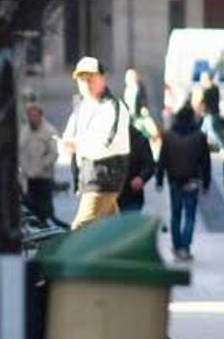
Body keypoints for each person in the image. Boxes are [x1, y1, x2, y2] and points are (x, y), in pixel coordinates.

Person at [61, 56, 130, 230]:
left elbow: (108, 142)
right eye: (81, 79)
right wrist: (67, 145)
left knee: (79, 230)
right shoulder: (81, 107)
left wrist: (77, 145)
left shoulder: (113, 106)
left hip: (103, 176)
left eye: (90, 78)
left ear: (103, 78)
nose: (86, 83)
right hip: (90, 176)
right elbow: (69, 136)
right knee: (111, 232)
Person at [155, 105, 211, 260]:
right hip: (192, 180)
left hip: (174, 180)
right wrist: (206, 182)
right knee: (190, 215)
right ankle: (185, 247)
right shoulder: (199, 137)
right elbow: (205, 162)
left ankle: (177, 245)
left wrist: (159, 179)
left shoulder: (168, 136)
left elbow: (162, 160)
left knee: (176, 214)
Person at [19, 102, 59, 223]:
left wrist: (42, 166)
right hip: (28, 179)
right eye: (30, 115)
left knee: (45, 210)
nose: (32, 118)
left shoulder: (49, 131)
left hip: (43, 178)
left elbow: (53, 154)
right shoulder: (24, 131)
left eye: (35, 115)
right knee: (30, 208)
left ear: (40, 115)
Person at [117, 124, 156, 213]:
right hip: (108, 195)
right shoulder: (105, 138)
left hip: (131, 195)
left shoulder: (139, 139)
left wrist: (141, 178)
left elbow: (149, 165)